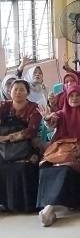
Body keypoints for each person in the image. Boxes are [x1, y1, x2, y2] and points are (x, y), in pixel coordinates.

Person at [37, 85, 80, 226]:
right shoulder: (61, 114)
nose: (74, 98)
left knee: (65, 169)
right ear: (66, 98)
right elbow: (52, 122)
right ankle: (49, 207)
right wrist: (47, 119)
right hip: (60, 152)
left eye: (77, 95)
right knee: (47, 168)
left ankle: (49, 208)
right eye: (71, 96)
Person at [0, 80, 42, 212]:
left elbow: (31, 131)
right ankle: (4, 203)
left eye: (22, 89)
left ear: (27, 93)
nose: (18, 92)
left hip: (27, 146)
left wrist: (7, 138)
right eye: (15, 89)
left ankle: (26, 205)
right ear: (10, 92)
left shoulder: (34, 108)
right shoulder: (3, 106)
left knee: (24, 166)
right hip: (4, 148)